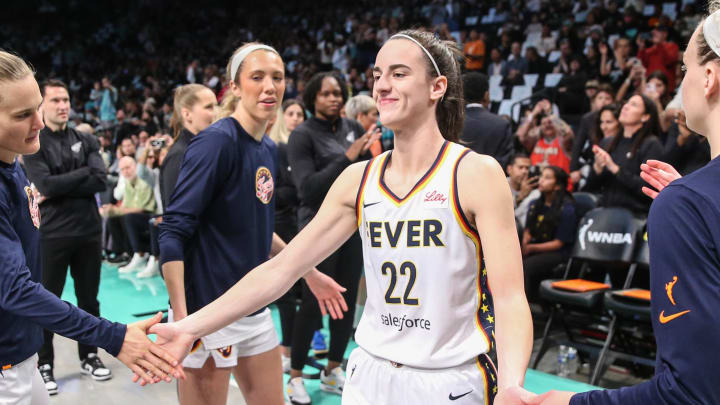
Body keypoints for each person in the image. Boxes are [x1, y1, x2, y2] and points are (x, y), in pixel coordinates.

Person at [149, 29, 534, 405]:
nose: (382, 85)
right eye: (377, 75)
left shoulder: (476, 173)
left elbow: (511, 296)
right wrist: (187, 326)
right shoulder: (357, 179)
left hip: (448, 377)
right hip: (369, 373)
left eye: (399, 74)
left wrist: (512, 383)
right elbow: (280, 269)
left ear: (437, 87)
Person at [528, 5, 720, 404]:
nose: (677, 86)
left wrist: (565, 402)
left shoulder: (685, 206)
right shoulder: (693, 202)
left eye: (683, 70)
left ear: (709, 77)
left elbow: (690, 394)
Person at [157, 43, 347, 405]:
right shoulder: (215, 143)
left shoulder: (267, 148)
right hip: (208, 310)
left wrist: (310, 272)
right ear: (235, 86)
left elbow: (259, 229)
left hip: (253, 307)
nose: (269, 86)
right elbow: (172, 231)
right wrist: (183, 322)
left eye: (277, 78)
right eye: (257, 77)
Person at [0, 49, 181, 405]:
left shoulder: (12, 163)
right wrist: (112, 336)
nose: (38, 122)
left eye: (37, 107)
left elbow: (90, 179)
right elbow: (15, 291)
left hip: (21, 355)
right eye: (23, 115)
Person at [284, 71, 379, 404]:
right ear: (313, 98)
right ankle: (295, 376)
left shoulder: (353, 128)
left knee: (345, 299)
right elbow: (307, 189)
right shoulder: (302, 135)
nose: (334, 98)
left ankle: (332, 370)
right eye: (326, 93)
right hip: (317, 230)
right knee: (313, 303)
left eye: (338, 92)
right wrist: (348, 156)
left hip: (353, 227)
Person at [22, 79, 112, 394]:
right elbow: (44, 185)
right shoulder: (34, 142)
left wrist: (65, 183)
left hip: (88, 232)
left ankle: (90, 356)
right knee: (47, 301)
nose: (63, 105)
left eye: (66, 99)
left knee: (89, 299)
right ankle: (44, 363)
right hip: (52, 235)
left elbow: (100, 180)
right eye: (56, 100)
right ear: (43, 105)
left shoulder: (86, 139)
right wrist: (81, 176)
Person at [267, 99, 307, 373]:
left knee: (305, 290)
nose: (295, 118)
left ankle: (305, 342)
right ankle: (286, 349)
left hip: (301, 224)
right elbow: (276, 193)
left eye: (299, 114)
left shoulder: (305, 147)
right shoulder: (277, 148)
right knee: (285, 292)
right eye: (290, 113)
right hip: (281, 224)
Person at [584, 95, 664, 216]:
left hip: (635, 216)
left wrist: (615, 169)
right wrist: (597, 169)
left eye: (634, 105)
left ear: (645, 117)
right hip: (606, 212)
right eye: (627, 103)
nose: (626, 106)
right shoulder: (608, 142)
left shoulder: (651, 144)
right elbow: (590, 187)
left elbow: (647, 188)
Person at [521, 167, 577, 302]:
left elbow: (558, 243)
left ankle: (526, 307)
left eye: (547, 178)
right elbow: (528, 229)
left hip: (559, 253)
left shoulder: (567, 208)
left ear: (557, 185)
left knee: (525, 266)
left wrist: (532, 248)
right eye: (541, 176)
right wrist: (525, 242)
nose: (541, 180)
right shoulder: (534, 204)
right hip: (535, 247)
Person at [102, 156, 156, 274]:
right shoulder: (128, 182)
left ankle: (140, 254)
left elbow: (142, 208)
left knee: (128, 217)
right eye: (123, 169)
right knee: (113, 218)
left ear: (135, 167)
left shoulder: (143, 181)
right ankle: (124, 253)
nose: (126, 171)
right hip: (135, 215)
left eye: (128, 168)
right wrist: (112, 210)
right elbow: (125, 207)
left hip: (150, 215)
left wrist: (116, 210)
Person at [460, 72, 514, 168]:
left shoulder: (451, 123)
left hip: (455, 180)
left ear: (462, 96)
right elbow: (505, 162)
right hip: (491, 180)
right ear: (486, 95)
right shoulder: (502, 124)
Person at [507, 153, 541, 228]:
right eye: (520, 167)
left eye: (527, 168)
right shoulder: (500, 185)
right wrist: (520, 197)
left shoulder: (535, 193)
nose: (524, 171)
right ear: (509, 169)